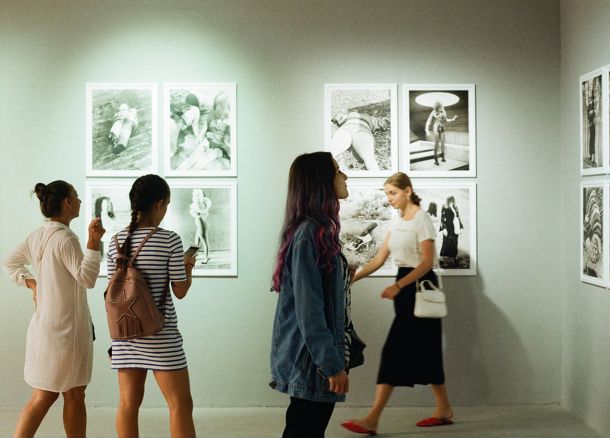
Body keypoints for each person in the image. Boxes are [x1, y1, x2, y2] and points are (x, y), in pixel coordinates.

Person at [341, 172, 453, 435]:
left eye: (393, 193)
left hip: (419, 287)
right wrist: (352, 279)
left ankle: (372, 418)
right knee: (428, 350)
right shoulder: (397, 221)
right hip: (405, 292)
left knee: (394, 351)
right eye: (387, 193)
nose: (389, 198)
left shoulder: (421, 219)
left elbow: (427, 262)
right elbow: (380, 258)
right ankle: (444, 409)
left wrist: (399, 285)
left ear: (407, 191)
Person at [3, 180, 105, 438]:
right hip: (67, 332)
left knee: (47, 395)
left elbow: (10, 262)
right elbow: (87, 279)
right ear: (67, 203)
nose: (80, 200)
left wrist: (32, 284)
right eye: (76, 196)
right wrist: (94, 243)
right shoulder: (66, 238)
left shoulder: (37, 235)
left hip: (44, 328)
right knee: (72, 394)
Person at [106, 174, 196, 438]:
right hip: (160, 336)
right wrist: (188, 268)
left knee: (128, 404)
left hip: (125, 334)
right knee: (180, 405)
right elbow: (180, 291)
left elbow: (114, 293)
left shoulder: (115, 242)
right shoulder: (169, 240)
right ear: (159, 203)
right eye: (166, 204)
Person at [270, 151, 351, 438]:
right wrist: (331, 365)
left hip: (312, 359)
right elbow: (309, 311)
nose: (345, 176)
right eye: (338, 171)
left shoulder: (318, 232)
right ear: (321, 182)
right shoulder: (309, 235)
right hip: (312, 362)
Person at [425, 101, 457, 166]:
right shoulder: (433, 112)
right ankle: (435, 159)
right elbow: (429, 121)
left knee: (442, 143)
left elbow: (446, 119)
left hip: (442, 127)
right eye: (438, 107)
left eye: (440, 107)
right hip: (436, 127)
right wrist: (427, 130)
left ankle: (442, 156)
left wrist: (453, 119)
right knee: (436, 143)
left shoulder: (443, 111)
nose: (440, 108)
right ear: (436, 107)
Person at [439, 196, 464, 267]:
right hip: (448, 228)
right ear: (448, 201)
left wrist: (461, 227)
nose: (451, 202)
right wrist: (444, 228)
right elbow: (442, 218)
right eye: (450, 201)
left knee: (455, 243)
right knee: (445, 243)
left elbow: (458, 218)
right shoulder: (444, 207)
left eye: (452, 201)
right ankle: (441, 259)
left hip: (455, 228)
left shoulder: (455, 207)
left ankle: (455, 258)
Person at [189, 188, 212, 264]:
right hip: (201, 225)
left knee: (205, 242)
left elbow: (197, 212)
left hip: (202, 224)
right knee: (196, 242)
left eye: (198, 195)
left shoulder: (200, 204)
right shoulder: (201, 203)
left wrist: (196, 212)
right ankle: (193, 255)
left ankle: (206, 258)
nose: (196, 196)